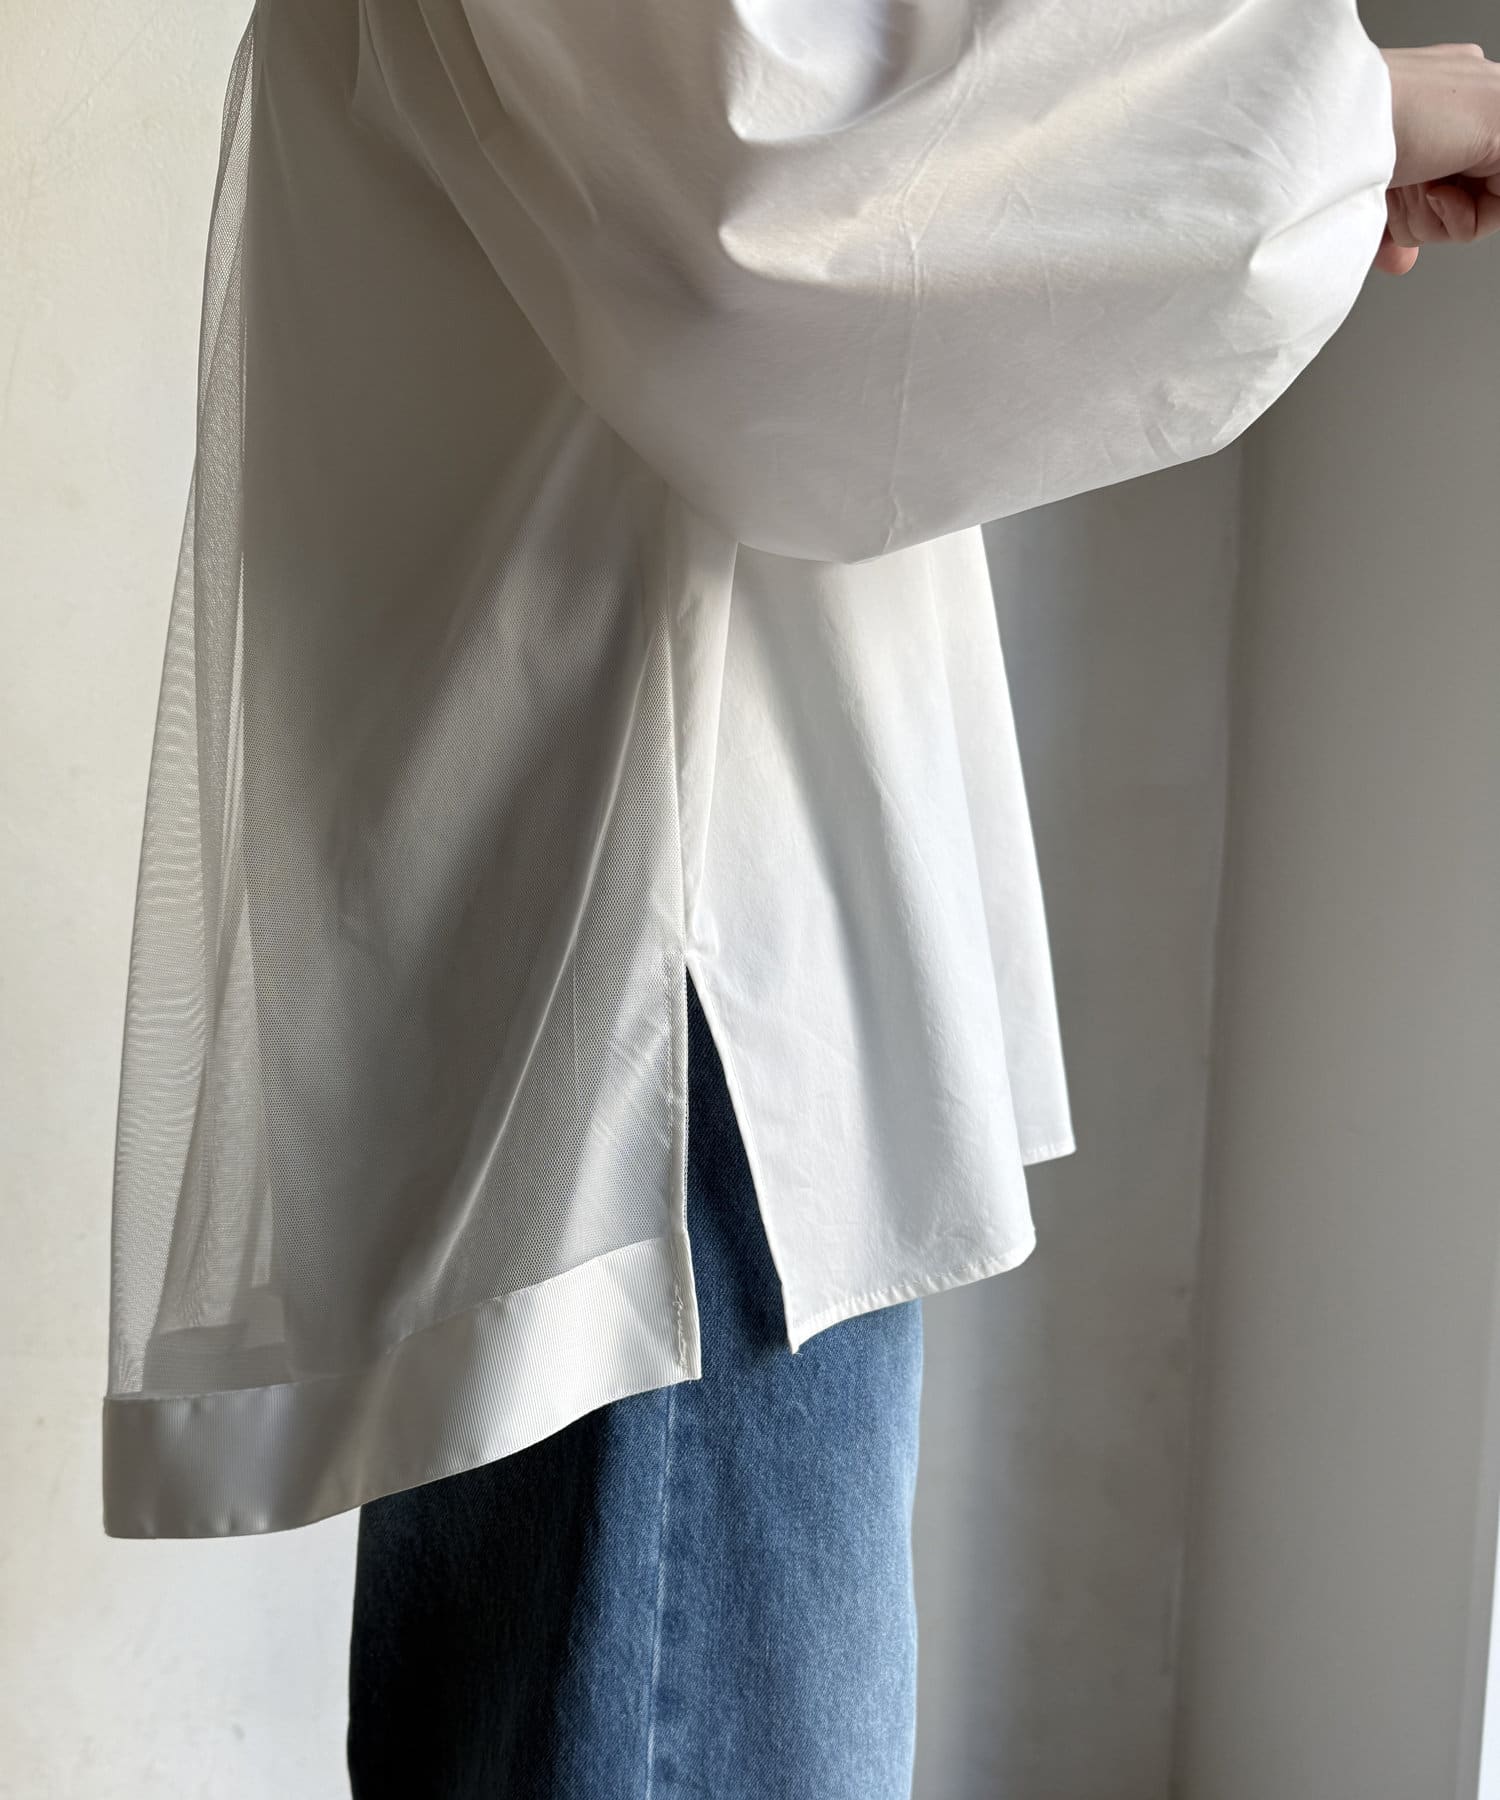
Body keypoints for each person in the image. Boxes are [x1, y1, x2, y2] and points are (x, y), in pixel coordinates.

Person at [99, 3, 1498, 1792]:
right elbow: (765, 221)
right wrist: (1336, 115)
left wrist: (1281, 167)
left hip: (610, 956)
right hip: (669, 994)